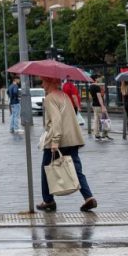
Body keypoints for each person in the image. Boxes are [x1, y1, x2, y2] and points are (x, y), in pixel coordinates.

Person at [37, 75, 97, 212]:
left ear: (51, 81)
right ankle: (88, 197)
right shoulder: (64, 96)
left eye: (44, 82)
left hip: (58, 140)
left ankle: (48, 201)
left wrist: (54, 141)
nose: (42, 85)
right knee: (76, 169)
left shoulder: (50, 98)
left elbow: (56, 121)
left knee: (46, 169)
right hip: (73, 139)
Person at [88, 77, 109, 141]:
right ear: (95, 80)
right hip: (99, 105)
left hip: (94, 105)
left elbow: (90, 97)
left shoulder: (90, 87)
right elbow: (99, 97)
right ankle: (104, 134)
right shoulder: (97, 87)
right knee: (105, 119)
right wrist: (102, 106)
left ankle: (97, 134)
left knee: (96, 120)